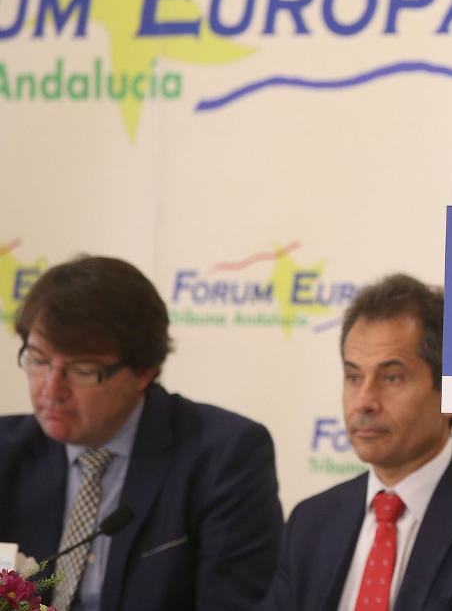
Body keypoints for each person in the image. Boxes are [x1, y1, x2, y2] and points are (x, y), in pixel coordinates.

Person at [263, 273, 452, 611]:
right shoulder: (310, 523)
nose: (364, 401)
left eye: (392, 378)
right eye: (353, 377)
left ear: (449, 394)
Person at [0, 255, 283, 611]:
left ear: (144, 372)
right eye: (39, 361)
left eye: (82, 370)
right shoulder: (6, 451)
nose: (51, 389)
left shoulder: (225, 457)